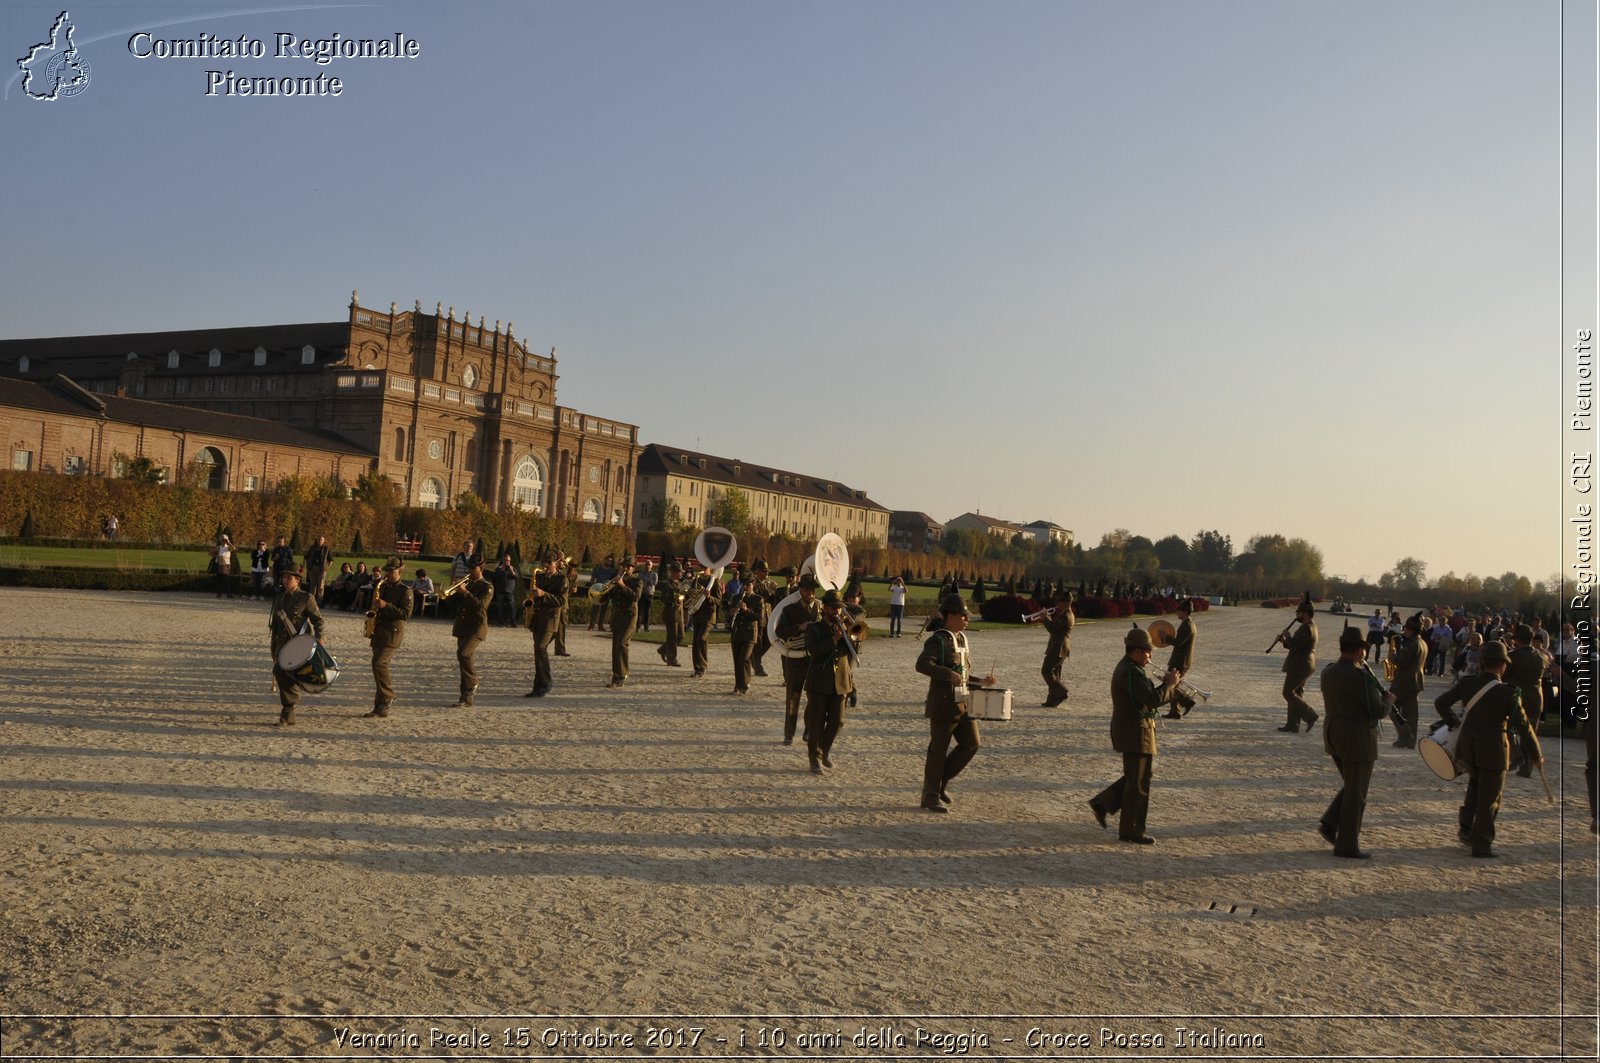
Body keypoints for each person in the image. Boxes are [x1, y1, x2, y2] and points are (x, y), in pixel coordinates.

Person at [1433, 640, 1543, 858]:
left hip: (1468, 746)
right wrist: (1536, 755)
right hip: (1494, 748)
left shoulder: (1467, 683)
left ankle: (1465, 829)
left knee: (1475, 785)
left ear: (1482, 663)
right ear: (1503, 665)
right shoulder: (1508, 692)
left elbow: (1441, 703)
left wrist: (1454, 722)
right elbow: (1524, 726)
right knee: (1490, 796)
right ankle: (1481, 843)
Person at [1088, 626, 1179, 843]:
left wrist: (1166, 685)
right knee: (1138, 783)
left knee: (1137, 777)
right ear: (1136, 651)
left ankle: (1103, 803)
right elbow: (1152, 699)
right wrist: (1169, 685)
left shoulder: (1131, 668)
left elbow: (1144, 696)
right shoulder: (1130, 671)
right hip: (1134, 731)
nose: (1151, 656)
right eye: (1148, 651)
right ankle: (1131, 830)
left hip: (1136, 729)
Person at [1317, 627, 1394, 859]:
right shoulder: (1360, 676)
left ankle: (1330, 824)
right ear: (1360, 651)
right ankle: (1347, 844)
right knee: (1356, 791)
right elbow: (1377, 710)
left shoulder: (1328, 671)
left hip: (1333, 734)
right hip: (1357, 739)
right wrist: (1389, 701)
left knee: (1352, 784)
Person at [916, 593, 993, 813]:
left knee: (972, 743)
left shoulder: (961, 639)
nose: (967, 619)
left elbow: (964, 674)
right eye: (963, 616)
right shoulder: (938, 640)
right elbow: (922, 665)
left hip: (963, 702)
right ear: (950, 616)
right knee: (938, 751)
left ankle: (940, 784)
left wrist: (981, 681)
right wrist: (947, 674)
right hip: (943, 704)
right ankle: (929, 796)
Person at [803, 589, 853, 773]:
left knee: (837, 721)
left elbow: (852, 651)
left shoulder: (845, 627)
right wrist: (834, 639)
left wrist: (850, 636)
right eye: (833, 608)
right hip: (819, 681)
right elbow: (814, 650)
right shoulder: (814, 628)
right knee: (816, 723)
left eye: (839, 608)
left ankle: (824, 751)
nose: (837, 612)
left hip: (840, 681)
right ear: (824, 607)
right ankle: (814, 759)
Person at [267, 569, 322, 727]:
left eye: (289, 577)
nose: (285, 580)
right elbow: (276, 626)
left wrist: (319, 638)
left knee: (290, 673)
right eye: (284, 577)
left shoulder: (306, 598)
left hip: (300, 643)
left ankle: (289, 707)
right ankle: (290, 706)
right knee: (279, 671)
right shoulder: (280, 598)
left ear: (297, 580)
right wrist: (274, 649)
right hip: (283, 645)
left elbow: (318, 620)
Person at [776, 574, 823, 745]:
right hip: (795, 658)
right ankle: (789, 733)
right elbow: (780, 631)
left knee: (814, 697)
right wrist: (799, 628)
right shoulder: (789, 609)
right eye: (807, 589)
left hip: (814, 659)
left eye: (812, 589)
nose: (810, 592)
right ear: (801, 590)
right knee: (793, 698)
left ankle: (808, 731)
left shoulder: (820, 608)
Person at [365, 557, 413, 718]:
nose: (388, 574)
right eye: (387, 571)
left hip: (392, 633)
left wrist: (386, 605)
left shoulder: (405, 590)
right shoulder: (383, 586)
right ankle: (379, 707)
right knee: (377, 667)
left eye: (391, 572)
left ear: (399, 572)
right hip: (379, 632)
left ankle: (389, 695)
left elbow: (405, 614)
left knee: (379, 663)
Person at [449, 554, 493, 707]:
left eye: (472, 568)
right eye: (468, 568)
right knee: (464, 661)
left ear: (481, 568)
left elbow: (480, 605)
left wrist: (465, 593)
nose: (469, 571)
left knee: (464, 654)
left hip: (477, 627)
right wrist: (453, 590)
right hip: (463, 626)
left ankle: (473, 682)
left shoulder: (487, 586)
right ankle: (465, 698)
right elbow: (452, 603)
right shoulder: (466, 583)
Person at [1505, 624, 1548, 776]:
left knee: (1507, 726)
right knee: (1530, 734)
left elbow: (1504, 676)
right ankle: (1527, 767)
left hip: (1517, 697)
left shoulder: (1512, 656)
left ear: (1517, 640)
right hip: (1536, 697)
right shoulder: (1542, 657)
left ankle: (1516, 755)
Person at [523, 553, 566, 698]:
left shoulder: (562, 579)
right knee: (538, 650)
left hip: (550, 619)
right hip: (538, 618)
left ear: (556, 563)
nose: (545, 565)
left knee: (540, 648)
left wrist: (543, 594)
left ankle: (546, 683)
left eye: (549, 563)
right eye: (544, 562)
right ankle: (538, 687)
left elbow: (561, 601)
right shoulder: (540, 577)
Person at [1275, 601, 1319, 733]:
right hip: (1304, 663)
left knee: (1288, 692)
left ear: (1305, 613)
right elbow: (1297, 645)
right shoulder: (1310, 626)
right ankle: (1293, 724)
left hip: (1300, 664)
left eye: (1299, 612)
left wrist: (1287, 636)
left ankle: (1310, 715)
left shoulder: (1307, 628)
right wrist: (1285, 641)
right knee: (1297, 693)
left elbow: (1295, 646)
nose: (1297, 615)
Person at [1387, 615, 1429, 748]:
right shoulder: (1422, 643)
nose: (1404, 631)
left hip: (1403, 681)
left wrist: (1392, 655)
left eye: (1406, 628)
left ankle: (1404, 735)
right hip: (1416, 681)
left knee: (1391, 707)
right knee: (1411, 712)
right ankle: (1410, 740)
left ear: (1411, 629)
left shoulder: (1411, 644)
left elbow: (1402, 662)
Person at [603, 558, 641, 688]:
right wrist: (607, 588)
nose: (625, 568)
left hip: (629, 616)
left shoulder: (637, 581)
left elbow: (635, 596)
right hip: (617, 616)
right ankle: (616, 674)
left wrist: (622, 585)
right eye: (623, 565)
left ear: (633, 568)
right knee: (615, 646)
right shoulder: (616, 579)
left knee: (622, 644)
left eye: (628, 566)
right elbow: (609, 597)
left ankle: (623, 674)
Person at [1162, 599, 1199, 718]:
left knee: (1169, 684)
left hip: (1180, 661)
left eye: (1179, 610)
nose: (1177, 612)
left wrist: (1165, 637)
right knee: (1172, 685)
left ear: (1185, 612)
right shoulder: (1188, 624)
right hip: (1181, 660)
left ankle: (1187, 702)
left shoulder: (1187, 625)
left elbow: (1178, 643)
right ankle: (1175, 711)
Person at [1038, 589, 1075, 708]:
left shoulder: (1066, 615)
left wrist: (1045, 618)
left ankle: (1061, 691)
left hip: (1058, 647)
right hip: (1060, 646)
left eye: (1060, 602)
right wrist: (1047, 617)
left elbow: (1052, 628)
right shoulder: (1065, 614)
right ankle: (1052, 700)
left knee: (1046, 671)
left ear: (1066, 602)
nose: (1057, 604)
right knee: (1055, 674)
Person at [746, 559, 779, 673]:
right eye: (764, 571)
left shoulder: (767, 583)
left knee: (769, 641)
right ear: (758, 572)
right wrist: (768, 591)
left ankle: (753, 659)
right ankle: (758, 667)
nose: (767, 574)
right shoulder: (753, 584)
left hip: (768, 616)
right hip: (759, 616)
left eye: (767, 571)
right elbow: (756, 598)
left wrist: (774, 591)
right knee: (758, 643)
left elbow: (771, 600)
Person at [688, 569, 721, 678]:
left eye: (704, 566)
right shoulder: (697, 579)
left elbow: (719, 600)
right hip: (697, 614)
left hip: (708, 616)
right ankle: (697, 668)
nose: (701, 567)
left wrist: (709, 597)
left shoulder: (715, 582)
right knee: (696, 641)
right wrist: (689, 592)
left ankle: (702, 666)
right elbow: (691, 594)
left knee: (701, 638)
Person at [656, 562, 685, 667]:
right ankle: (672, 658)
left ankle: (663, 649)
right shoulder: (667, 584)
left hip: (679, 613)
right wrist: (674, 597)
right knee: (673, 637)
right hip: (671, 613)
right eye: (679, 572)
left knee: (681, 636)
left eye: (681, 572)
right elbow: (664, 598)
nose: (680, 574)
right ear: (673, 572)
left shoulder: (679, 584)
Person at [729, 592, 758, 695]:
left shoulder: (758, 599)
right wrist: (732, 612)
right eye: (744, 585)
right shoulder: (737, 597)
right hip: (737, 633)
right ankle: (737, 686)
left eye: (748, 585)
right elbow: (729, 614)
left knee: (744, 659)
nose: (745, 587)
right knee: (737, 661)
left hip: (749, 634)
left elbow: (758, 617)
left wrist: (746, 610)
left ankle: (744, 685)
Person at [587, 555, 616, 631]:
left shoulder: (612, 571)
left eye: (610, 561)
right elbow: (592, 579)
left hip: (606, 592)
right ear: (604, 560)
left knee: (603, 610)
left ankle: (600, 625)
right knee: (595, 609)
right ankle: (591, 625)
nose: (608, 562)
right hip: (597, 591)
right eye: (607, 560)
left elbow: (613, 582)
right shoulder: (598, 569)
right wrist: (592, 588)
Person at [555, 561, 579, 655]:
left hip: (563, 602)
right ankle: (542, 646)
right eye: (561, 560)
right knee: (551, 627)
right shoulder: (559, 572)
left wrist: (573, 589)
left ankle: (560, 649)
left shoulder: (572, 573)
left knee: (561, 626)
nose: (564, 562)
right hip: (555, 601)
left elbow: (567, 590)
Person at [303, 535, 333, 604]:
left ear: (323, 541)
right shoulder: (312, 548)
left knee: (321, 585)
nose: (320, 541)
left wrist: (327, 568)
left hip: (321, 568)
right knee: (312, 584)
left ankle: (319, 600)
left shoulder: (326, 549)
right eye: (319, 539)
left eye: (321, 540)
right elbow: (307, 557)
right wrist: (308, 565)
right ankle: (311, 600)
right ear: (316, 540)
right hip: (313, 567)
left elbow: (331, 560)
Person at [494, 555, 520, 626]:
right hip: (500, 591)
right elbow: (495, 577)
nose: (506, 562)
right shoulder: (498, 569)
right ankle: (501, 622)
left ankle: (513, 623)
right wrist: (501, 571)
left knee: (511, 607)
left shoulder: (513, 568)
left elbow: (517, 577)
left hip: (509, 591)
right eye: (505, 560)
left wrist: (512, 571)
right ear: (503, 561)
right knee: (500, 607)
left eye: (508, 561)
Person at [635, 558, 658, 631]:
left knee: (647, 612)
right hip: (641, 594)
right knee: (640, 611)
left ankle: (646, 628)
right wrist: (647, 582)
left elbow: (654, 583)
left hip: (649, 594)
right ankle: (638, 627)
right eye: (646, 564)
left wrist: (645, 581)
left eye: (649, 565)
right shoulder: (641, 573)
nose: (647, 566)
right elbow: (639, 581)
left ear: (651, 566)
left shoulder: (655, 574)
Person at [211, 534, 235, 598]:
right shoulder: (218, 547)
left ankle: (228, 594)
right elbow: (210, 553)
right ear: (220, 541)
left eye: (225, 540)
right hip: (219, 564)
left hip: (226, 564)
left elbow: (233, 548)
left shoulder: (228, 547)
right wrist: (216, 556)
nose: (224, 541)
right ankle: (219, 594)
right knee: (219, 580)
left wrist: (229, 542)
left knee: (226, 580)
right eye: (223, 540)